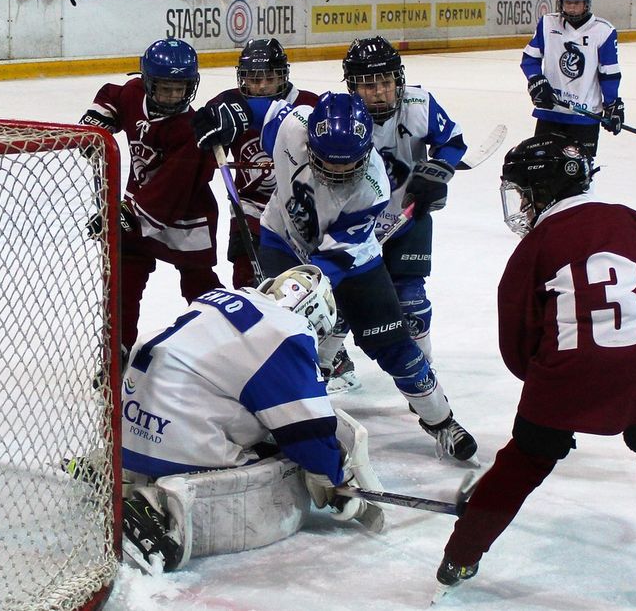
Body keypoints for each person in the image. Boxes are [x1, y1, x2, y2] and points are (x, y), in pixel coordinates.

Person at [435, 133, 636, 611]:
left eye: (523, 192)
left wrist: (545, 386)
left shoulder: (535, 247)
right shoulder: (631, 221)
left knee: (524, 460)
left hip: (566, 373)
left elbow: (516, 339)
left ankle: (460, 555)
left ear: (542, 193)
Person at [191, 91, 480, 463]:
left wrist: (294, 294)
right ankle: (276, 418)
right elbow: (258, 106)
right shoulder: (291, 127)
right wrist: (224, 111)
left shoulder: (373, 186)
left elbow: (332, 261)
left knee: (395, 347)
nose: (341, 172)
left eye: (350, 164)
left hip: (354, 263)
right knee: (278, 345)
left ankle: (441, 421)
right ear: (311, 142)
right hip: (283, 240)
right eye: (330, 163)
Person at [102, 265, 384, 572]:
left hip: (125, 433)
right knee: (280, 470)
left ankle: (113, 472)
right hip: (173, 443)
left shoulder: (221, 298)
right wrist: (335, 480)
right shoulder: (286, 333)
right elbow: (308, 432)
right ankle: (155, 507)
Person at [78, 39, 220, 351]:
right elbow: (112, 95)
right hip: (138, 205)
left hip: (185, 215)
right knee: (124, 279)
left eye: (180, 89)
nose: (172, 96)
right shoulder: (133, 94)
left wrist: (123, 216)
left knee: (199, 284)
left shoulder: (190, 130)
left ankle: (225, 342)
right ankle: (119, 347)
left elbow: (172, 189)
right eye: (164, 88)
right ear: (147, 82)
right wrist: (99, 120)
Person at [341, 36, 467, 385]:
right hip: (356, 225)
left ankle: (425, 369)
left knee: (410, 300)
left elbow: (452, 142)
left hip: (408, 218)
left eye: (386, 82)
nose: (380, 92)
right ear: (352, 86)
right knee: (338, 304)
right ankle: (328, 361)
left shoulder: (419, 103)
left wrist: (436, 172)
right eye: (369, 85)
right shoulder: (341, 114)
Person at [203, 38, 319, 289]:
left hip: (302, 210)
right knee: (246, 281)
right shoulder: (228, 104)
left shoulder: (309, 105)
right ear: (243, 79)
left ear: (283, 76)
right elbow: (204, 139)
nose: (263, 86)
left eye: (270, 78)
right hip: (249, 209)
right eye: (254, 79)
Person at [521, 0, 622, 158]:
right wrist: (537, 82)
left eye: (577, 2)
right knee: (541, 171)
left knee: (580, 175)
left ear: (587, 2)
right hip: (550, 112)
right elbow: (529, 59)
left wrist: (613, 105)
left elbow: (609, 74)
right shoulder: (547, 24)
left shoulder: (604, 31)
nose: (572, 7)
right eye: (568, 2)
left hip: (585, 116)